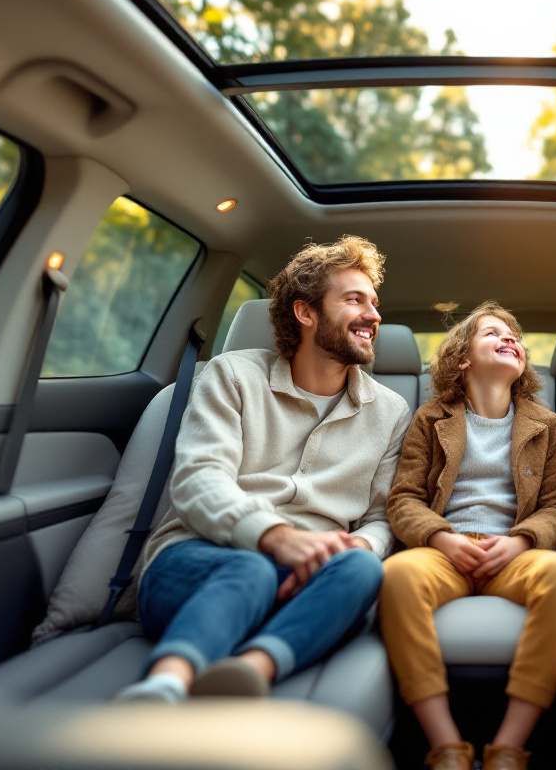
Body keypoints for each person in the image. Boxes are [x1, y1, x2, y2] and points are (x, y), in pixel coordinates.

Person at [116, 235, 412, 702]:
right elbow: (198, 482)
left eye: (374, 303)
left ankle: (250, 672)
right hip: (202, 561)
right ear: (306, 312)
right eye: (355, 299)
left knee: (363, 569)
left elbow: (380, 517)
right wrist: (276, 539)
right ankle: (164, 685)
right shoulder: (231, 376)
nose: (374, 316)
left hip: (310, 580)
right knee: (252, 569)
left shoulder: (392, 411)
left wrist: (347, 547)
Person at [380, 303, 556, 770]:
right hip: (445, 548)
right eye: (493, 333)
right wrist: (440, 538)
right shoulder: (430, 418)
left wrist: (521, 541)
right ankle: (445, 743)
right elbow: (404, 499)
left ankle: (509, 746)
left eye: (516, 335)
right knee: (397, 576)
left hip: (513, 550)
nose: (511, 338)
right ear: (462, 360)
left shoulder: (547, 425)